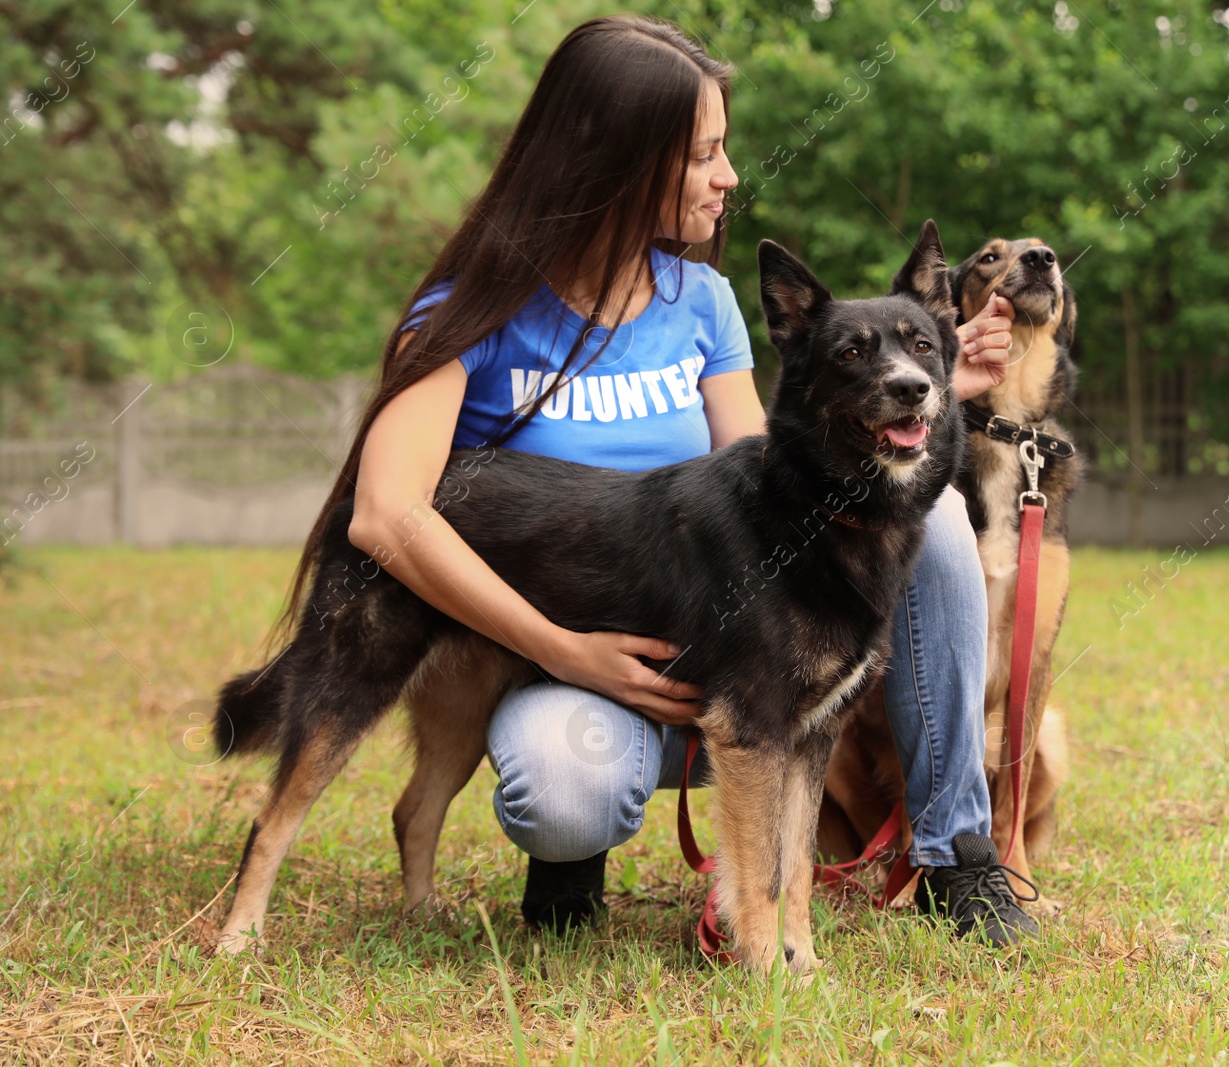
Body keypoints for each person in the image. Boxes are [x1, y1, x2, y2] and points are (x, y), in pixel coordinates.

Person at [291, 14, 1036, 949]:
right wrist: (563, 648)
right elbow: (387, 515)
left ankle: (953, 852)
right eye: (705, 154)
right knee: (566, 789)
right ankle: (569, 865)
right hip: (559, 652)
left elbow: (777, 487)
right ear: (617, 160)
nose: (729, 178)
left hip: (720, 652)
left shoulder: (701, 300)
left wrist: (915, 401)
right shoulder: (475, 313)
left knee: (944, 533)